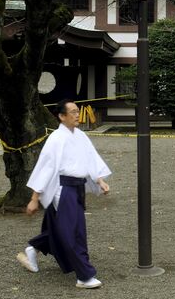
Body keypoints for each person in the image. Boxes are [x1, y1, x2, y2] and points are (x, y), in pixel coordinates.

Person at [16, 99, 111, 289]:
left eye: (78, 111)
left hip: (78, 187)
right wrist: (35, 198)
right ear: (61, 116)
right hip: (62, 189)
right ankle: (84, 276)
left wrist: (99, 180)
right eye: (73, 112)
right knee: (74, 232)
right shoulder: (56, 139)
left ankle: (33, 249)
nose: (77, 115)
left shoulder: (80, 135)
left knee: (61, 228)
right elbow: (46, 168)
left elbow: (90, 158)